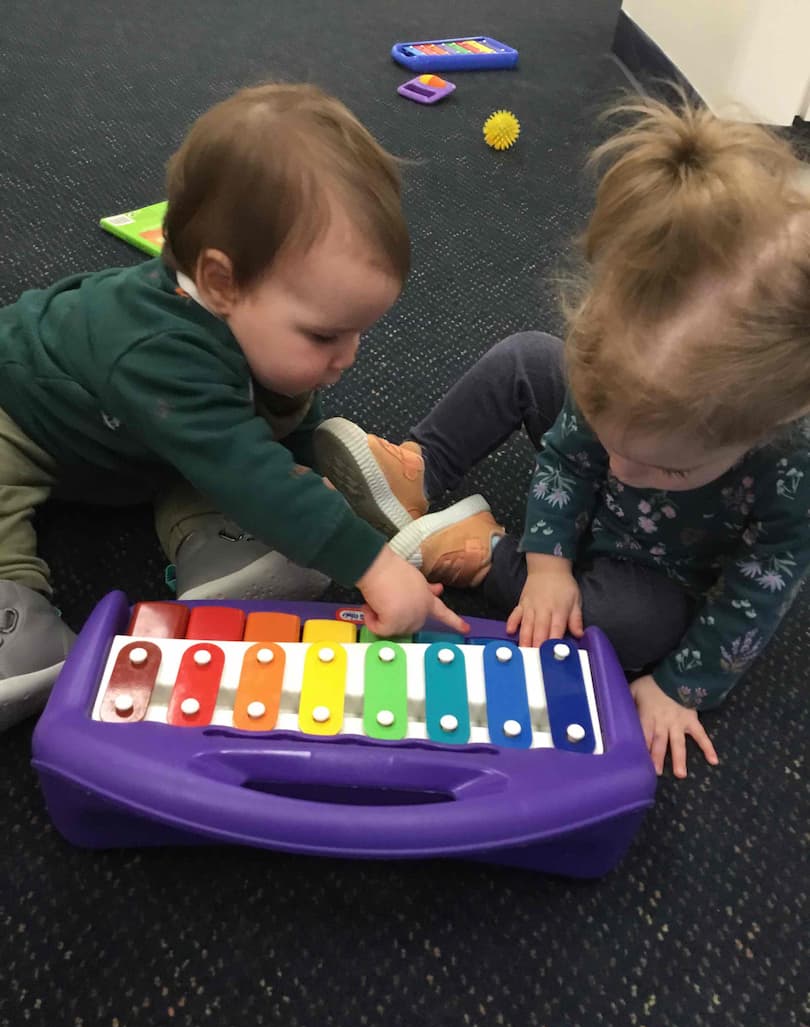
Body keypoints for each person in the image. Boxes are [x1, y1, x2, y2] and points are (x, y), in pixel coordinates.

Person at [313, 94, 810, 779]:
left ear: (766, 429)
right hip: (620, 433)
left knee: (640, 630)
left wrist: (681, 688)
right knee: (527, 358)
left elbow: (759, 591)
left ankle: (482, 551)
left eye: (667, 470)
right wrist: (549, 562)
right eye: (614, 442)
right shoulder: (619, 377)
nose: (622, 473)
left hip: (657, 565)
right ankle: (420, 470)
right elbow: (571, 460)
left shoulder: (788, 470)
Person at [0, 82, 467, 731]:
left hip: (144, 440)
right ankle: (12, 611)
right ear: (221, 282)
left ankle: (216, 542)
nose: (349, 357)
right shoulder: (157, 349)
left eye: (359, 332)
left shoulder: (256, 324)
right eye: (325, 335)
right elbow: (249, 470)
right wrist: (372, 564)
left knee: (230, 449)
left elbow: (274, 428)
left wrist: (310, 477)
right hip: (26, 414)